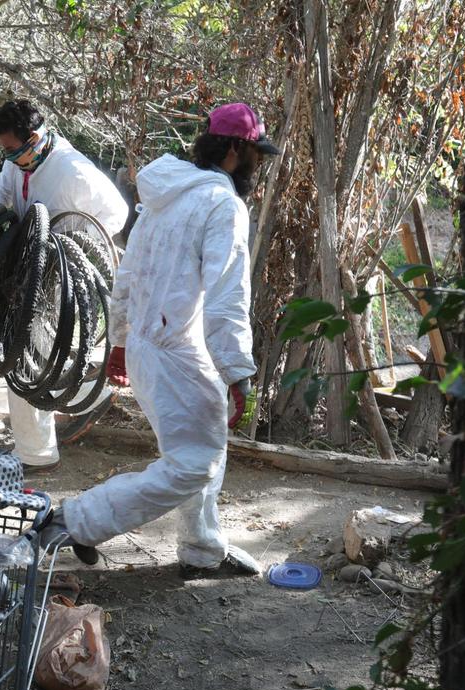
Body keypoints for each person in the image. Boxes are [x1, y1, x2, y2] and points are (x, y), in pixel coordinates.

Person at [39, 102, 279, 577]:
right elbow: (227, 295)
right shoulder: (222, 204)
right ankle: (72, 522)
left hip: (160, 347)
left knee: (203, 445)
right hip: (176, 353)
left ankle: (202, 547)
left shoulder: (168, 193)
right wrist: (237, 371)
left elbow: (127, 273)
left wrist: (122, 339)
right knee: (195, 464)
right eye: (255, 154)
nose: (258, 165)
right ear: (235, 149)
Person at [0, 100, 129, 473]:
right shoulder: (16, 162)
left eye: (12, 149)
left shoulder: (73, 170)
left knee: (24, 356)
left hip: (55, 268)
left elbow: (116, 212)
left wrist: (72, 243)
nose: (8, 157)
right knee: (34, 354)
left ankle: (37, 453)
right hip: (22, 266)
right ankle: (85, 396)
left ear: (33, 139)